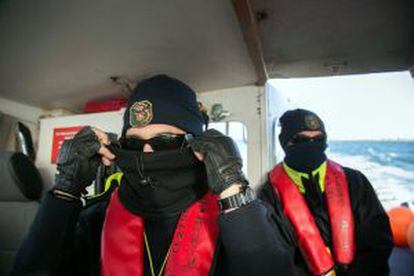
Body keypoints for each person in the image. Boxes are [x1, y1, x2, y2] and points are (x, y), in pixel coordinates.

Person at [12, 75, 297, 276]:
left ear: (198, 145)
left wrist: (234, 191)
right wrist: (65, 190)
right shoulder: (95, 219)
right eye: (134, 144)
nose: (147, 156)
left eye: (164, 143)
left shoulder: (241, 218)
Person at [261, 109, 393, 275]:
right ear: (284, 143)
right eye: (301, 139)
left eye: (319, 139)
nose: (311, 144)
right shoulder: (269, 195)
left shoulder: (356, 181)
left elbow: (377, 243)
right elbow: (275, 257)